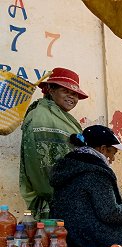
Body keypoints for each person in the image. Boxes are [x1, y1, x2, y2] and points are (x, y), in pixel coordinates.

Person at [49, 125, 122, 247]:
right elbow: (110, 213)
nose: (113, 159)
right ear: (103, 149)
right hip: (94, 242)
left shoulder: (68, 166)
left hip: (71, 239)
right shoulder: (96, 173)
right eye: (113, 153)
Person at [20, 67, 87, 220]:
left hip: (72, 197)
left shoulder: (64, 119)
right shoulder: (40, 116)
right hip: (54, 200)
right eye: (66, 91)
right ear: (50, 89)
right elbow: (39, 166)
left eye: (75, 94)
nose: (72, 97)